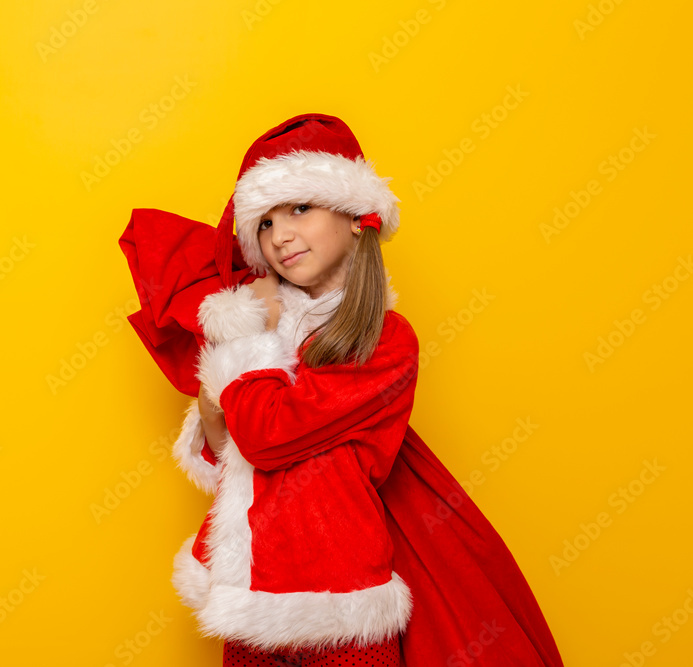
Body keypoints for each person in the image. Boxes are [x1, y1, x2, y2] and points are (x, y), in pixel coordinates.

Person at [118, 113, 564, 667]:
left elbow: (264, 436)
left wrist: (249, 345)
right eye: (264, 223)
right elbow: (227, 450)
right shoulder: (267, 323)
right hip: (252, 596)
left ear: (356, 218)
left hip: (338, 604)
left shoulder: (384, 341)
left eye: (300, 209)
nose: (279, 235)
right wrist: (230, 372)